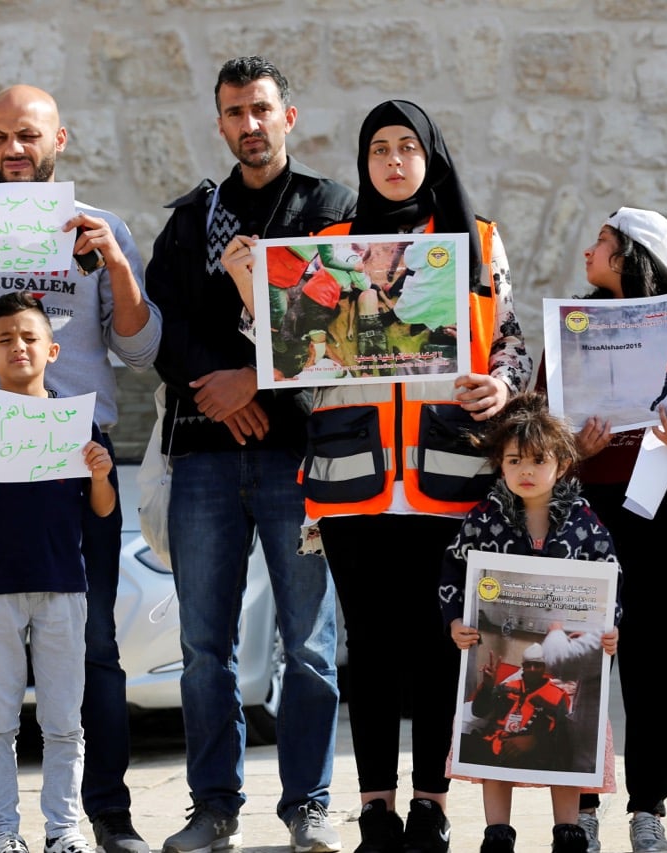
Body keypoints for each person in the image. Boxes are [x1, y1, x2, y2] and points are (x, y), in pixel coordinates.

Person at [222, 99, 531, 853]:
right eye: (378, 150)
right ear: (364, 163)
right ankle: (375, 808)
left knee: (438, 645)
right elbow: (291, 362)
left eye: (407, 148)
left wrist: (503, 384)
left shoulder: (476, 241)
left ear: (430, 155)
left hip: (448, 475)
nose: (393, 162)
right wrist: (248, 291)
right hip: (351, 476)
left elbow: (511, 342)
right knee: (371, 645)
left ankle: (431, 803)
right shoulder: (326, 245)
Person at [0, 84, 159, 853]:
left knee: (94, 644)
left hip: (75, 457)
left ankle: (104, 815)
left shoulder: (98, 229)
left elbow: (139, 349)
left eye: (27, 134)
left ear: (60, 136)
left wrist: (118, 262)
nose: (13, 149)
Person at [145, 56, 354, 853]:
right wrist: (216, 389)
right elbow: (162, 325)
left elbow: (344, 325)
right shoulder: (196, 217)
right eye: (235, 112)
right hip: (201, 455)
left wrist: (255, 386)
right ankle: (214, 806)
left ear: (288, 117)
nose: (250, 124)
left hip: (299, 455)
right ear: (222, 122)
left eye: (262, 109)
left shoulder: (330, 210)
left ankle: (309, 805)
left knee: (306, 640)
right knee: (204, 646)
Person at [540, 206, 667, 853]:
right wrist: (574, 449)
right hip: (585, 515)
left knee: (658, 665)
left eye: (602, 241)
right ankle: (581, 810)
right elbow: (541, 435)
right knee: (579, 660)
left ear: (631, 256)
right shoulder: (571, 328)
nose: (589, 251)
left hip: (665, 517)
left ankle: (649, 808)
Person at [0, 293, 115, 853]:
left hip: (64, 586)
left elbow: (102, 511)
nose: (18, 347)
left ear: (52, 350)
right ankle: (5, 834)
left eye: (29, 338)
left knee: (64, 720)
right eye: (5, 339)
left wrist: (103, 474)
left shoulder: (77, 423)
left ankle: (63, 830)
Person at [439, 393, 620, 853]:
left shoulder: (585, 523)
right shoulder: (482, 521)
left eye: (539, 460)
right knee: (493, 748)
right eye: (514, 459)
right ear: (499, 464)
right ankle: (497, 831)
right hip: (492, 653)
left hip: (563, 683)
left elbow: (609, 580)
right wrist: (455, 619)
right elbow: (453, 573)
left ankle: (569, 829)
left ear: (562, 465)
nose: (526, 470)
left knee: (563, 755)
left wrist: (609, 629)